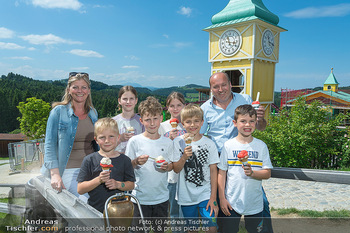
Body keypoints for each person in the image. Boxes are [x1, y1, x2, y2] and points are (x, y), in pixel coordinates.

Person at [200, 72, 273, 233]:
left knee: (261, 201)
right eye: (216, 87)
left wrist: (260, 119)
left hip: (245, 154)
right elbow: (199, 134)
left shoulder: (245, 100)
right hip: (219, 158)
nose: (221, 89)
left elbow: (260, 126)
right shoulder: (205, 109)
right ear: (211, 89)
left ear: (230, 85)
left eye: (223, 85)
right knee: (222, 200)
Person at [41, 72, 98, 202]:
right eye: (75, 87)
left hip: (91, 169)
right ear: (68, 90)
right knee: (84, 202)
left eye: (84, 87)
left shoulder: (93, 113)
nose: (80, 91)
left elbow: (96, 143)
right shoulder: (58, 112)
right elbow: (49, 144)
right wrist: (55, 174)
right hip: (68, 170)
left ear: (88, 90)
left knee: (103, 201)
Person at [218, 104, 273, 233]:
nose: (247, 125)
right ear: (235, 123)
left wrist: (253, 173)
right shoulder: (228, 146)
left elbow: (267, 173)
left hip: (254, 203)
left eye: (251, 121)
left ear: (255, 122)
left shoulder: (261, 146)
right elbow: (222, 173)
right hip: (231, 202)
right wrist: (222, 199)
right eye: (243, 121)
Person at [125, 96, 173, 233]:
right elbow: (128, 166)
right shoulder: (135, 141)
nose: (152, 123)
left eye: (155, 118)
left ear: (161, 118)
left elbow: (172, 166)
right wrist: (136, 162)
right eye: (147, 119)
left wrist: (167, 167)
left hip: (161, 199)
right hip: (139, 199)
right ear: (141, 121)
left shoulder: (168, 142)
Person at [172, 104, 219, 233]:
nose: (193, 125)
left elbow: (213, 170)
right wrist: (184, 157)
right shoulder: (178, 142)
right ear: (182, 124)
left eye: (196, 121)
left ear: (202, 122)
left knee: (211, 226)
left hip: (206, 194)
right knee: (191, 229)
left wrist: (213, 197)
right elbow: (176, 169)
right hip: (186, 195)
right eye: (188, 122)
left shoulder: (209, 144)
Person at [76, 118, 135, 213]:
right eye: (102, 137)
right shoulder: (89, 160)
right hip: (95, 210)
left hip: (119, 211)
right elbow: (80, 189)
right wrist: (99, 180)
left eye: (111, 136)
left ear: (118, 137)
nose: (107, 140)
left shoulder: (125, 160)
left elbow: (131, 185)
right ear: (96, 140)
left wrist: (118, 184)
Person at [158, 92, 186, 231]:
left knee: (186, 210)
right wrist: (169, 140)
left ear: (184, 106)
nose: (175, 109)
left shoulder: (188, 125)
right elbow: (158, 150)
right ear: (167, 108)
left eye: (179, 105)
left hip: (186, 173)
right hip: (171, 176)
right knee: (174, 208)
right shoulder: (162, 127)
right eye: (172, 106)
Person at [112, 85, 144, 154]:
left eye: (131, 98)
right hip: (117, 160)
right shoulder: (113, 122)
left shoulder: (141, 121)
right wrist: (120, 139)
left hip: (136, 161)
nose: (128, 102)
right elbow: (107, 147)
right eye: (125, 99)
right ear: (119, 101)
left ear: (136, 100)